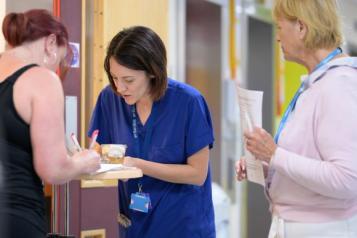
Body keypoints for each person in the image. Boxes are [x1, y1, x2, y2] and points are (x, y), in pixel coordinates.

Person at [236, 0, 357, 237]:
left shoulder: (338, 86)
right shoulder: (316, 84)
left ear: (301, 28)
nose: (277, 37)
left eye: (280, 27)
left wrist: (274, 154)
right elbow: (309, 166)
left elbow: (347, 179)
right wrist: (265, 166)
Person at [88, 26, 216, 238]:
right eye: (114, 78)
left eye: (128, 80)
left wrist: (139, 165)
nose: (120, 88)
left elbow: (197, 174)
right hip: (134, 224)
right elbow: (100, 147)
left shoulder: (188, 103)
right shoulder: (110, 99)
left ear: (152, 72)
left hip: (182, 226)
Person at [0, 9, 101, 238]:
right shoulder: (41, 79)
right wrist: (83, 162)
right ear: (51, 42)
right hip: (16, 218)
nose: (55, 68)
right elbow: (53, 170)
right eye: (58, 60)